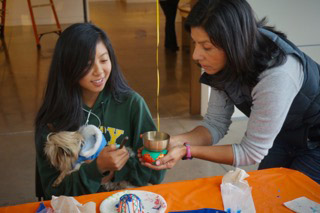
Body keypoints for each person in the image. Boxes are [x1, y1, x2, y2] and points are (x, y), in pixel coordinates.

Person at [140, 0, 320, 184]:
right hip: (285, 133)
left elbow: (251, 152)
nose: (196, 55)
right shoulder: (226, 60)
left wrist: (188, 150)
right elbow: (215, 124)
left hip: (316, 140)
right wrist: (176, 141)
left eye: (206, 47)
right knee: (266, 191)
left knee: (296, 198)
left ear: (234, 42)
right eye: (195, 43)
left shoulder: (278, 74)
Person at [35, 23, 166, 200]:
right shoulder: (52, 119)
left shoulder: (132, 104)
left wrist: (117, 170)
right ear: (67, 67)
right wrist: (94, 169)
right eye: (87, 65)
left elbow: (155, 174)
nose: (99, 71)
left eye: (104, 60)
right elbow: (52, 191)